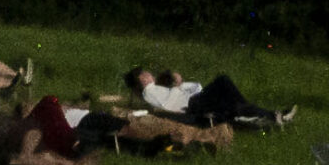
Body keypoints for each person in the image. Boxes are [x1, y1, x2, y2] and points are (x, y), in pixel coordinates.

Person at [125, 66, 292, 129]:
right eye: (144, 75)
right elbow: (167, 105)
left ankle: (274, 116)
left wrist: (180, 84)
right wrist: (177, 86)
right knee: (223, 81)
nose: (148, 74)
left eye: (146, 72)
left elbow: (196, 86)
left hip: (196, 99)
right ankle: (263, 114)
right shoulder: (149, 91)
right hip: (193, 106)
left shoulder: (158, 88)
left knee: (232, 104)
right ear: (142, 81)